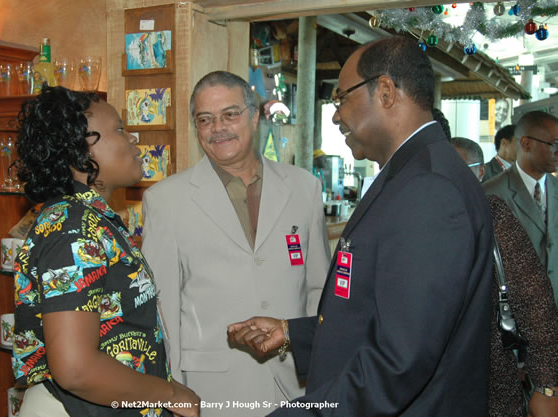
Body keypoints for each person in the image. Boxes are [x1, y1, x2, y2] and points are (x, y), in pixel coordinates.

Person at [228, 36, 494, 416]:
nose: (336, 115)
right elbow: (383, 313)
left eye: (341, 98)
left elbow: (401, 359)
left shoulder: (428, 189)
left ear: (385, 92)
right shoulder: (410, 174)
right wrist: (292, 333)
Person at [141, 71, 330, 417]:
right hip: (211, 391)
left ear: (254, 116)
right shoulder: (165, 200)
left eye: (230, 114)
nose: (218, 128)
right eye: (205, 119)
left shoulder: (304, 188)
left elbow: (318, 289)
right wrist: (172, 391)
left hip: (294, 385)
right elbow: (161, 309)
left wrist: (317, 368)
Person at [12, 86, 199, 417]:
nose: (132, 137)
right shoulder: (72, 228)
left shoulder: (92, 218)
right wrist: (170, 393)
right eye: (120, 129)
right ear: (79, 153)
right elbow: (76, 368)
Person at [452, 135, 558, 417]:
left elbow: (534, 299)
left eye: (461, 168)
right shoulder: (418, 221)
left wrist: (546, 385)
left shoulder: (490, 211)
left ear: (480, 170)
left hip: (493, 377)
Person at [483, 110, 558, 306]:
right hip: (514, 318)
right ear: (526, 144)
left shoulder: (555, 188)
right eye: (553, 144)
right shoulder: (492, 193)